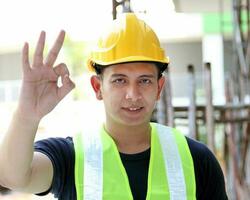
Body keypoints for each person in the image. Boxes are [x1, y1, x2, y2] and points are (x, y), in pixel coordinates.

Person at [0, 13, 228, 200]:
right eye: (119, 80)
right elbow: (12, 177)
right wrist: (27, 115)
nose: (133, 94)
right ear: (97, 87)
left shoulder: (197, 159)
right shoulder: (70, 157)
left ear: (159, 87)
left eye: (144, 81)